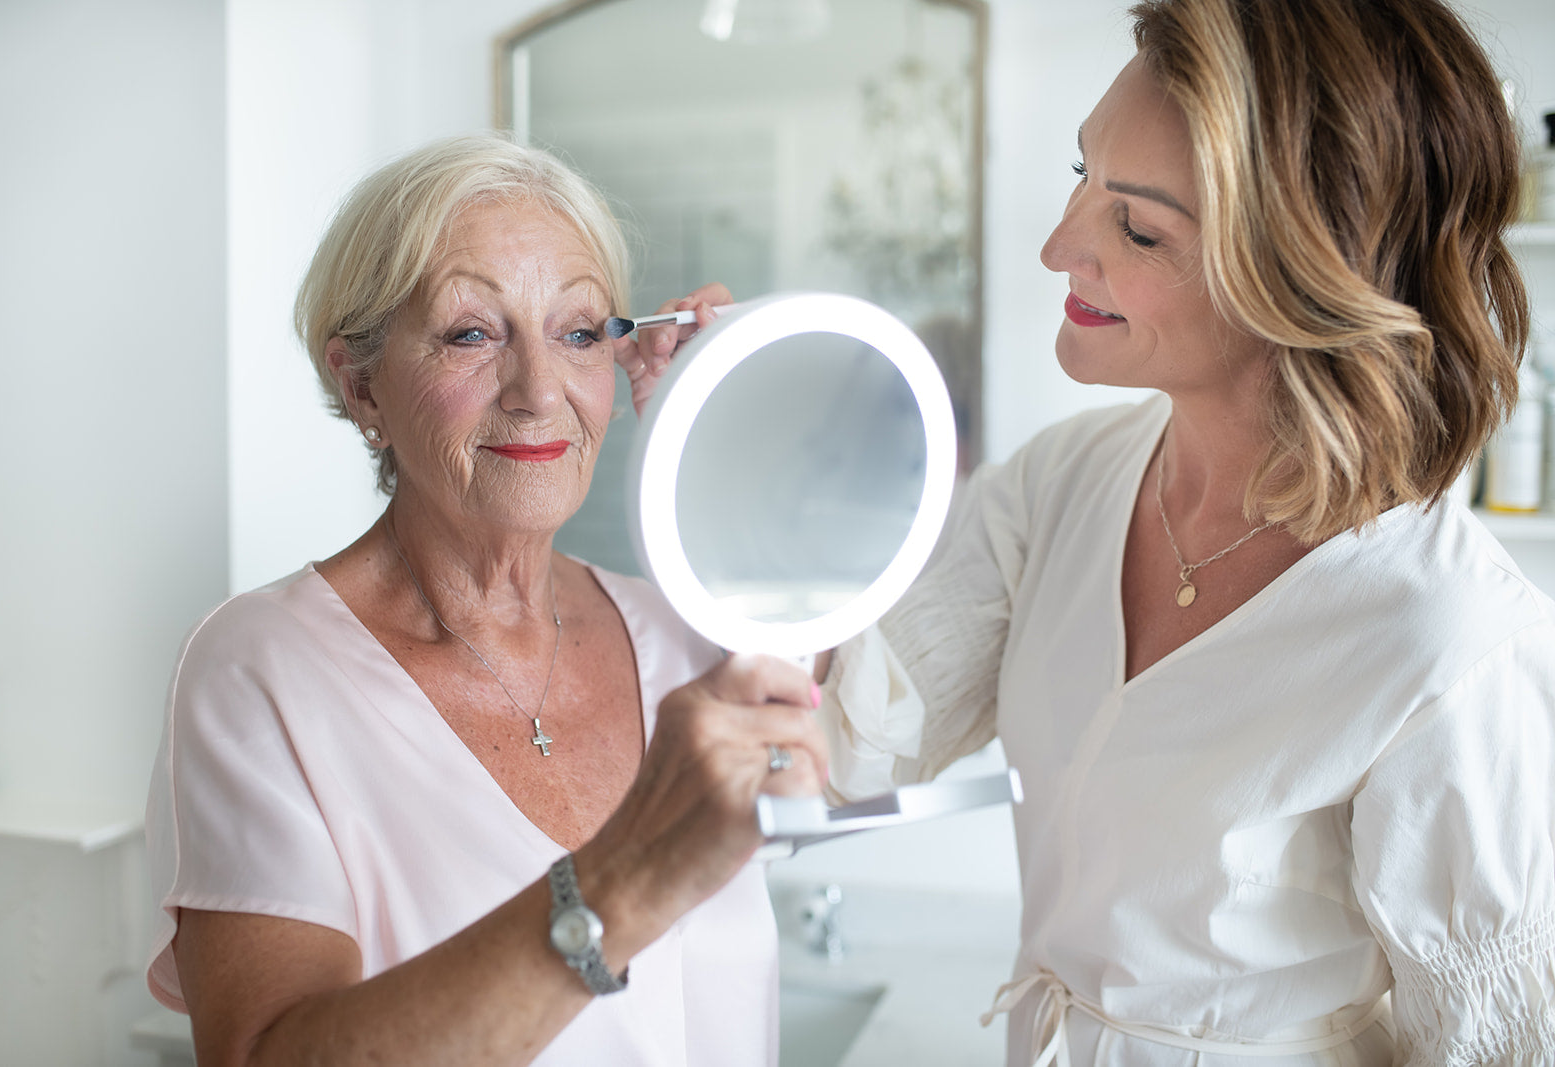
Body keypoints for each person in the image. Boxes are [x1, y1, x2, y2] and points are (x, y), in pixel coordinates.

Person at [630, 0, 1555, 1062]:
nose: (1058, 244)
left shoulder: (1449, 642)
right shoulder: (1058, 489)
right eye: (1082, 176)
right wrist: (717, 428)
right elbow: (826, 756)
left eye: (1139, 227)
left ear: (1301, 274)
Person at [143, 133, 828, 1067]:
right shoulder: (259, 672)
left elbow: (843, 738)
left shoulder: (687, 634)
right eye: (472, 333)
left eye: (580, 332)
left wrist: (727, 428)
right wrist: (623, 886)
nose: (540, 390)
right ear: (360, 383)